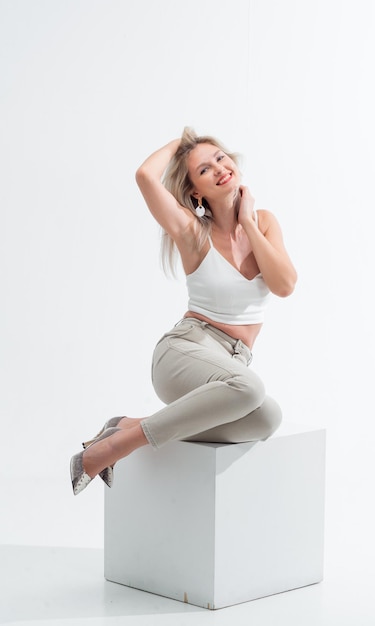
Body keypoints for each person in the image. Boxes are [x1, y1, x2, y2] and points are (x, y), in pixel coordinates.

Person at [70, 127, 297, 495]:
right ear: (195, 191)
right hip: (185, 354)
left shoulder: (264, 222)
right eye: (204, 170)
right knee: (250, 388)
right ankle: (114, 447)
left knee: (267, 418)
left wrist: (249, 222)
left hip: (232, 365)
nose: (219, 168)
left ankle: (126, 425)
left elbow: (285, 285)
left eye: (220, 158)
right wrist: (183, 141)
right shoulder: (192, 232)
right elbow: (145, 176)